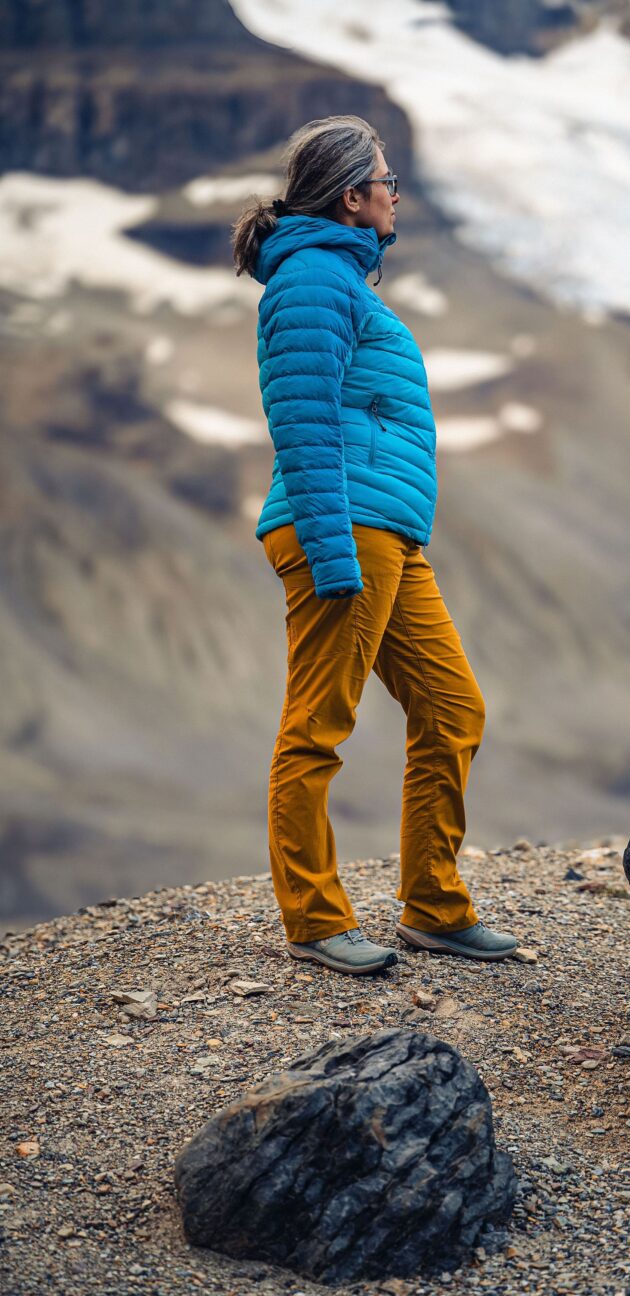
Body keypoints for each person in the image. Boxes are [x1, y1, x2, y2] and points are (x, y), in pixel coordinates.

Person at [232, 115, 518, 976]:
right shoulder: (314, 279)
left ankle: (433, 907)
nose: (398, 195)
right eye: (387, 182)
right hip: (343, 529)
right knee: (317, 727)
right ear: (353, 197)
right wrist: (330, 552)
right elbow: (304, 420)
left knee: (452, 706)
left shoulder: (343, 280)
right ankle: (314, 919)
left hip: (385, 530)